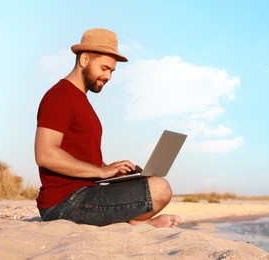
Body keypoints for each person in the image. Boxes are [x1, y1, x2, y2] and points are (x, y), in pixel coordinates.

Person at [35, 28, 181, 228]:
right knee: (159, 188)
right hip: (65, 202)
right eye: (104, 68)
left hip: (86, 192)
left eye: (112, 71)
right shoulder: (60, 96)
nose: (108, 76)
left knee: (154, 181)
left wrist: (112, 171)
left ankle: (137, 223)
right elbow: (45, 154)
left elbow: (81, 157)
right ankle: (139, 224)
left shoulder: (81, 101)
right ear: (84, 60)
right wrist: (100, 171)